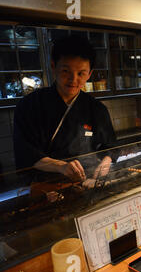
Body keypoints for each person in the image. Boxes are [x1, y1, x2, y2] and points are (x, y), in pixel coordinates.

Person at [13, 35, 116, 184]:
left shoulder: (97, 108)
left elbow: (111, 146)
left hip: (88, 182)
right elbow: (26, 154)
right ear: (53, 66)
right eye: (66, 71)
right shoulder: (29, 106)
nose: (73, 80)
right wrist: (62, 167)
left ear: (90, 74)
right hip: (47, 186)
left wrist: (106, 162)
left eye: (81, 73)